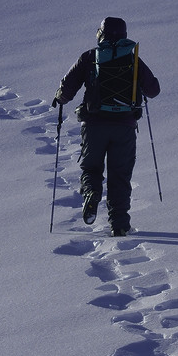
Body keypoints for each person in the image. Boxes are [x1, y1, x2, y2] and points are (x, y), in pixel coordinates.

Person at [52, 17, 160, 235]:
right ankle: (119, 225)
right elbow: (154, 90)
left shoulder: (91, 57)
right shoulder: (133, 58)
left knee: (91, 169)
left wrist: (60, 98)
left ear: (100, 33)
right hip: (125, 127)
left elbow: (67, 88)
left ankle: (92, 194)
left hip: (94, 125)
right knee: (120, 175)